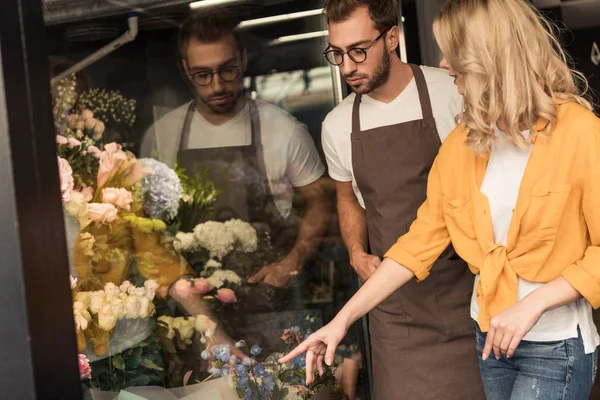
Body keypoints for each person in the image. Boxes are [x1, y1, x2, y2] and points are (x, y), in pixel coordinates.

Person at [281, 0, 600, 398]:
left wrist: (534, 303)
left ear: (489, 56)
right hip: (490, 342)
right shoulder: (465, 143)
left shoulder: (578, 132)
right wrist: (341, 321)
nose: (445, 64)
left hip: (554, 347)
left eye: (454, 53)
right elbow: (417, 244)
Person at [317, 0, 483, 399]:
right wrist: (357, 253)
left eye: (359, 50)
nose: (347, 67)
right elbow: (347, 200)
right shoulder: (337, 125)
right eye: (337, 54)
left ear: (392, 37)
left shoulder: (453, 92)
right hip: (395, 309)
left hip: (469, 295)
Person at [141, 13, 333, 348]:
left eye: (227, 70)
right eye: (203, 75)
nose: (217, 85)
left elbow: (320, 201)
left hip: (273, 308)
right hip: (195, 320)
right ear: (185, 69)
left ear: (243, 60)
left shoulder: (283, 130)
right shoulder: (162, 136)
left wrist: (293, 261)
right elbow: (148, 230)